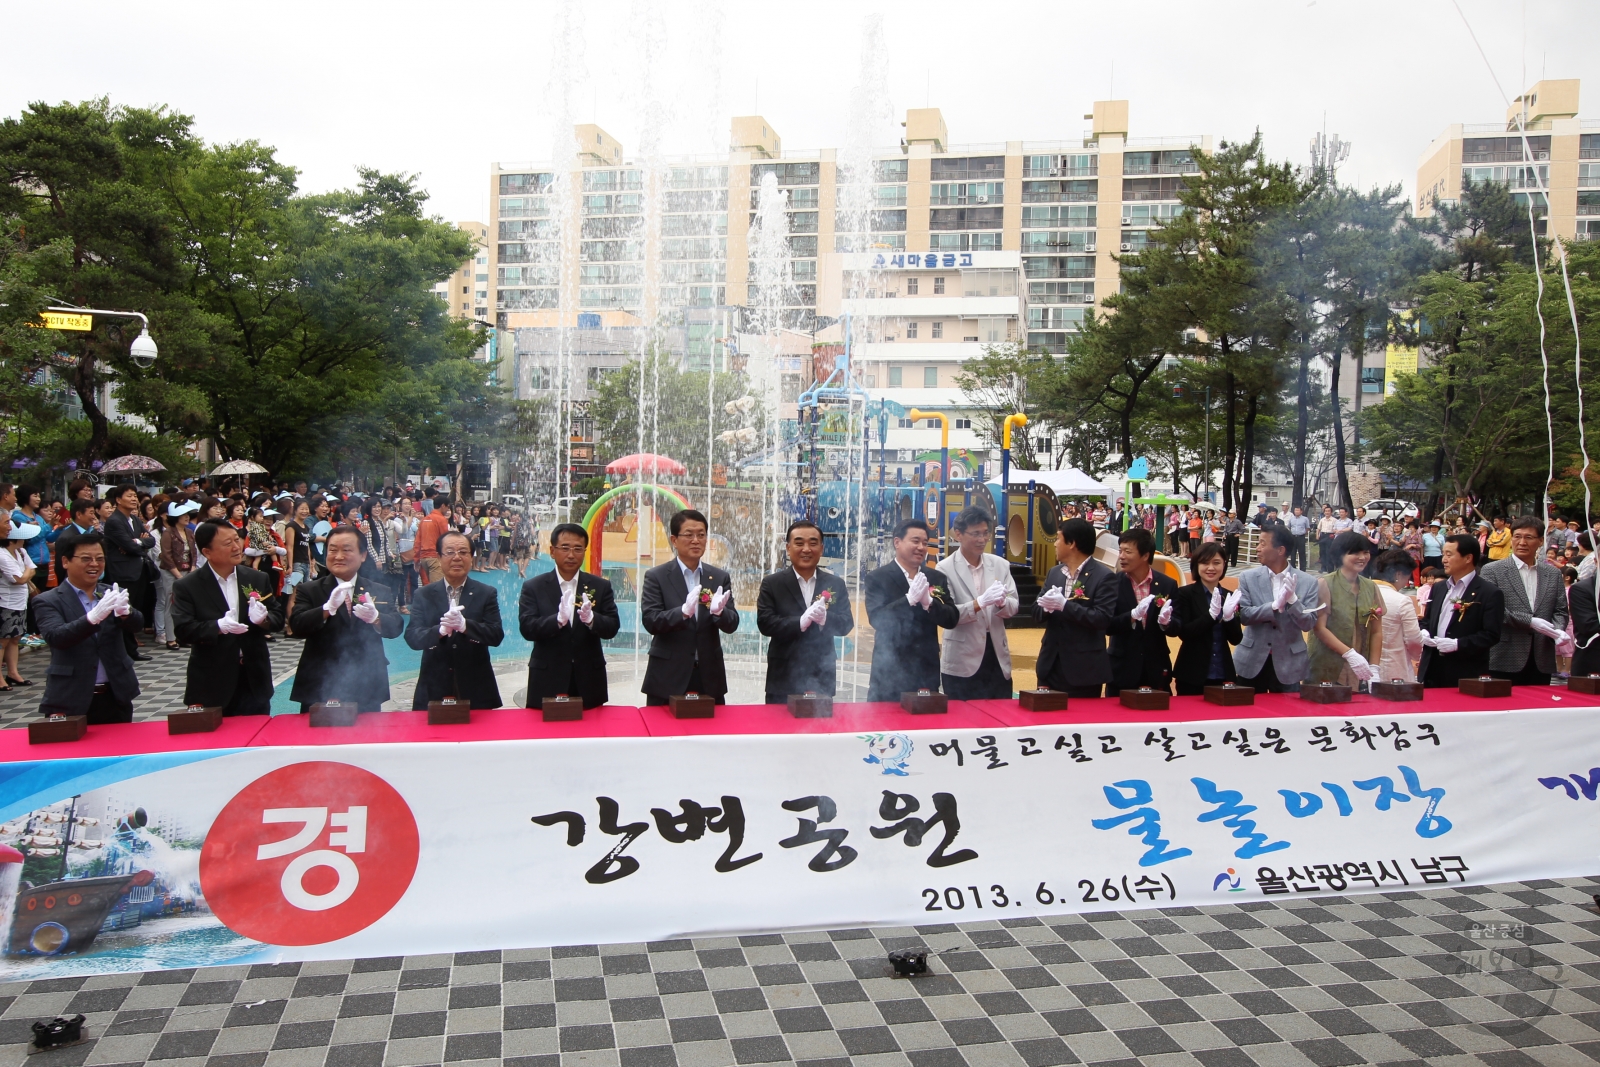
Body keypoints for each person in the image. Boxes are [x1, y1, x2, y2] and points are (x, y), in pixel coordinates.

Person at [170, 520, 284, 715]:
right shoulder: (188, 586)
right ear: (207, 552)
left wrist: (263, 620)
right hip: (212, 680)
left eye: (236, 540)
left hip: (253, 677)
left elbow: (278, 617)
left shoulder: (256, 578)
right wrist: (218, 626)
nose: (236, 547)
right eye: (227, 543)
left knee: (256, 736)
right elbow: (183, 630)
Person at [289, 526, 404, 713]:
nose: (338, 556)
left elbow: (396, 628)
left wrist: (376, 618)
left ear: (363, 555)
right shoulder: (310, 589)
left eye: (347, 550)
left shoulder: (378, 590)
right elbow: (297, 625)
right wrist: (326, 609)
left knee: (366, 737)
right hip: (321, 681)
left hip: (365, 680)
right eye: (333, 550)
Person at [34, 532, 143, 723]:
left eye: (100, 559)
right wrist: (91, 618)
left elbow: (137, 625)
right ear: (66, 561)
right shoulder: (48, 600)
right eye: (86, 559)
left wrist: (126, 613)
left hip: (115, 694)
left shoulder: (110, 592)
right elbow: (56, 636)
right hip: (70, 696)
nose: (94, 564)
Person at [639, 509, 739, 705]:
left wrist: (720, 612)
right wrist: (682, 613)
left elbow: (732, 623)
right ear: (674, 540)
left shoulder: (718, 577)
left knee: (711, 733)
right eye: (689, 535)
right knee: (663, 732)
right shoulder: (657, 576)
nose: (696, 540)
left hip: (709, 676)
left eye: (701, 535)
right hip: (667, 676)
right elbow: (650, 621)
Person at [520, 523, 621, 709]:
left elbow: (612, 627)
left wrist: (592, 620)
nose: (571, 554)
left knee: (591, 732)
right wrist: (557, 621)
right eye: (565, 548)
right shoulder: (534, 587)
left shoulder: (600, 586)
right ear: (552, 551)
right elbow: (527, 628)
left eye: (577, 549)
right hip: (547, 677)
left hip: (589, 678)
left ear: (584, 552)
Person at [404, 530, 504, 709]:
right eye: (450, 552)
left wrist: (466, 626)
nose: (457, 557)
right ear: (439, 557)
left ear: (471, 556)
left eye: (463, 552)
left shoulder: (486, 593)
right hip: (434, 684)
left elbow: (496, 635)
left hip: (476, 686)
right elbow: (412, 637)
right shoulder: (423, 594)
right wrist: (439, 631)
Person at [756, 520, 854, 704]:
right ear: (788, 547)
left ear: (822, 548)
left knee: (820, 730)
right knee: (780, 729)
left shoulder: (835, 584)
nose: (806, 549)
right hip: (783, 676)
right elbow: (765, 623)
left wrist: (826, 619)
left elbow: (846, 623)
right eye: (799, 543)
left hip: (821, 675)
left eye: (813, 543)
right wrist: (799, 622)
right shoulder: (772, 583)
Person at [863, 518, 959, 701]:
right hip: (889, 670)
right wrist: (909, 600)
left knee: (925, 725)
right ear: (897, 542)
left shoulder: (935, 577)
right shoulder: (877, 578)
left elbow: (952, 618)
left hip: (925, 669)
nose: (921, 547)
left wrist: (930, 603)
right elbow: (877, 619)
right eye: (915, 541)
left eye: (925, 543)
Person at [935, 508, 1019, 699]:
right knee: (962, 718)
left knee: (1000, 713)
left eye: (985, 533)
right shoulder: (944, 568)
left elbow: (1014, 606)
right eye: (975, 534)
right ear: (958, 534)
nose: (982, 539)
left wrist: (1001, 603)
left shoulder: (1000, 565)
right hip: (962, 656)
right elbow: (948, 614)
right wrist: (979, 603)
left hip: (996, 652)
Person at [1034, 517, 1118, 697]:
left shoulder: (1104, 576)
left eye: (1058, 538)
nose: (1055, 544)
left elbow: (1102, 618)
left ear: (1072, 543)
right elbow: (1036, 612)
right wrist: (1046, 607)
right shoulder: (1055, 573)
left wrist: (1065, 606)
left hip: (1083, 670)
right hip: (1050, 665)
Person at [1480, 516, 1568, 686]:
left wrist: (1557, 631)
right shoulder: (1493, 570)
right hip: (1505, 655)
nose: (1522, 542)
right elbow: (1493, 610)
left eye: (1528, 537)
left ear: (1541, 541)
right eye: (1517, 536)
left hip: (1541, 656)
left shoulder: (1553, 574)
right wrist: (1530, 621)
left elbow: (1560, 610)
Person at [1233, 525, 1321, 692]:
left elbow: (1308, 623)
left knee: (1286, 715)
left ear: (1280, 550)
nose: (1257, 548)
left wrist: (1293, 601)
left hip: (1288, 663)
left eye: (1262, 544)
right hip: (1252, 660)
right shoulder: (1248, 577)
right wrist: (1272, 607)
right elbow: (1244, 615)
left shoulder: (1308, 582)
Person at [1417, 534, 1506, 688]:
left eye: (1449, 555)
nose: (1443, 559)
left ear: (1468, 558)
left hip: (1465, 670)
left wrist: (1458, 644)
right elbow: (1427, 620)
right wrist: (1424, 631)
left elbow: (1491, 635)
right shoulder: (1439, 587)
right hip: (1433, 666)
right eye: (1443, 554)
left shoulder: (1489, 592)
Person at [1164, 542, 1244, 695]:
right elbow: (1185, 632)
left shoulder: (1229, 596)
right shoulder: (1184, 594)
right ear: (1196, 565)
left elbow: (1236, 639)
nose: (1211, 568)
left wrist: (1228, 618)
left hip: (1222, 672)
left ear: (1224, 565)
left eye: (1216, 563)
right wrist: (1211, 616)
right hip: (1191, 673)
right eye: (1205, 563)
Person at [1107, 527, 1178, 696]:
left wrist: (1167, 623)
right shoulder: (1111, 584)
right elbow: (1106, 625)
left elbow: (1178, 627)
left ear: (1146, 555)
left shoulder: (1168, 584)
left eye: (1127, 551)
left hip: (1156, 668)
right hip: (1122, 669)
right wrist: (1131, 617)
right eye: (1120, 551)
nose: (1121, 556)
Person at [1308, 531, 1385, 687]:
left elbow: (1376, 631)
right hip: (1328, 664)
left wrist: (1374, 667)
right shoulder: (1325, 583)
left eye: (1365, 552)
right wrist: (1349, 654)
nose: (1362, 557)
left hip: (1360, 667)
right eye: (1355, 553)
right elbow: (1319, 628)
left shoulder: (1371, 587)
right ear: (1340, 555)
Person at [101, 484, 156, 662]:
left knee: (134, 611)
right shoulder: (115, 521)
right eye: (129, 496)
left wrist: (137, 542)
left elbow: (151, 540)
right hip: (122, 572)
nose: (134, 499)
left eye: (135, 496)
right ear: (118, 500)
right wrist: (138, 543)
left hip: (139, 569)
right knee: (123, 611)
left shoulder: (135, 519)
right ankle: (123, 650)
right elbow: (128, 545)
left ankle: (131, 650)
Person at [1370, 549, 1425, 684]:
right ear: (1398, 575)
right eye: (1407, 578)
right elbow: (1413, 639)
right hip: (1393, 666)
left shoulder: (1360, 594)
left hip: (1362, 666)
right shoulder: (1401, 600)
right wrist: (1416, 655)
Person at [0, 514, 38, 689]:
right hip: (5, 601)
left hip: (19, 600)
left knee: (15, 638)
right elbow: (19, 578)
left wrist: (26, 573)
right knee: (3, 640)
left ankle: (13, 672)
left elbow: (31, 570)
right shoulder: (2, 555)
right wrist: (26, 572)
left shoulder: (21, 552)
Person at [157, 500, 200, 650]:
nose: (187, 517)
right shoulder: (168, 533)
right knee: (171, 603)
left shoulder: (189, 532)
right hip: (171, 571)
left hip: (188, 570)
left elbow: (193, 552)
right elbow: (166, 556)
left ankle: (182, 636)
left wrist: (192, 568)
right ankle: (171, 638)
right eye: (183, 515)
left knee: (185, 605)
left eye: (188, 514)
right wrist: (178, 574)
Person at [415, 500, 451, 586]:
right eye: (447, 507)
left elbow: (418, 541)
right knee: (437, 588)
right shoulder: (441, 519)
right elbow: (445, 539)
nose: (447, 510)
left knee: (427, 585)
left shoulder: (424, 519)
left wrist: (416, 559)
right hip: (435, 557)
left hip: (424, 557)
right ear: (443, 505)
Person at [1286, 506, 1311, 571]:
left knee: (1302, 553)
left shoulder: (1305, 519)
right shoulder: (1291, 519)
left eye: (1298, 510)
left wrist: (1303, 533)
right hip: (1293, 537)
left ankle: (1303, 569)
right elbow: (1289, 527)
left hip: (1301, 537)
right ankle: (1293, 568)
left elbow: (1307, 528)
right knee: (1293, 553)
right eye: (1295, 510)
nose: (1296, 512)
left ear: (1301, 511)